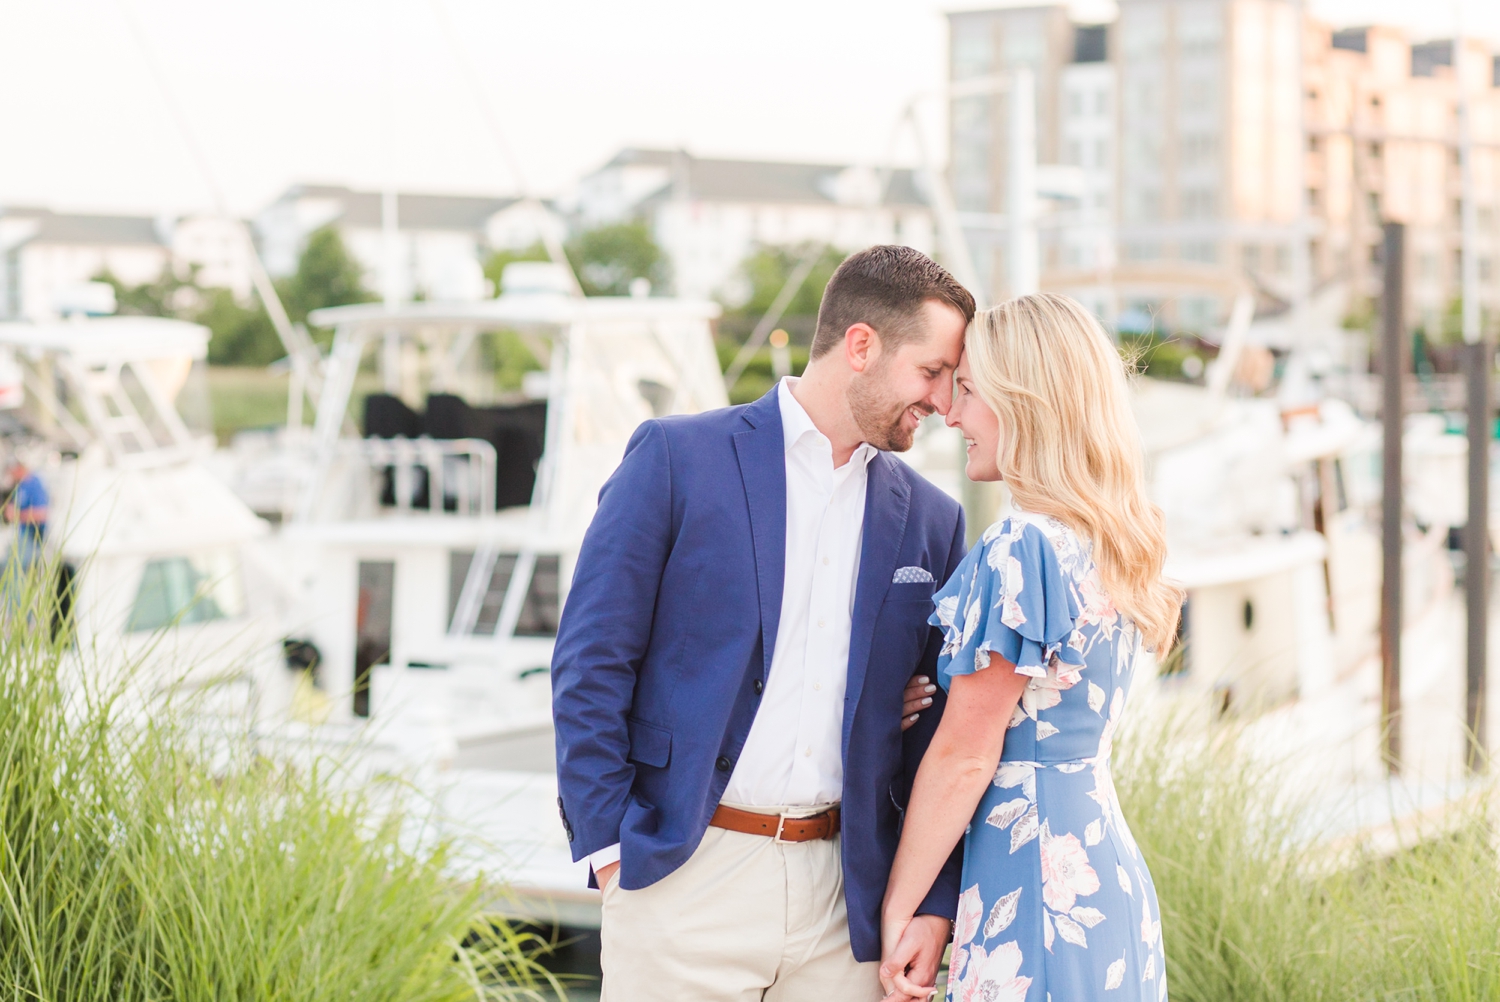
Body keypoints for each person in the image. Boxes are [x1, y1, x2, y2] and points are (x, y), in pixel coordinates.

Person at [551, 245, 977, 1001]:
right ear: (861, 346)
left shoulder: (934, 521)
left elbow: (939, 729)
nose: (944, 403)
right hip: (686, 877)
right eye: (932, 372)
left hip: (846, 903)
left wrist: (933, 901)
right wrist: (612, 845)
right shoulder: (678, 459)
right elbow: (591, 660)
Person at [879, 293, 1183, 1002]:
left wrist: (899, 909)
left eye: (972, 392)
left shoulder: (1024, 546)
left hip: (1038, 884)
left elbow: (965, 756)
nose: (952, 415)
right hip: (1102, 882)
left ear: (1025, 403)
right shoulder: (1105, 541)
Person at [3, 459, 48, 568]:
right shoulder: (20, 486)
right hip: (19, 535)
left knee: (14, 568)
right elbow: (11, 509)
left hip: (32, 537)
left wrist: (17, 515)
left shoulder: (35, 484)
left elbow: (42, 514)